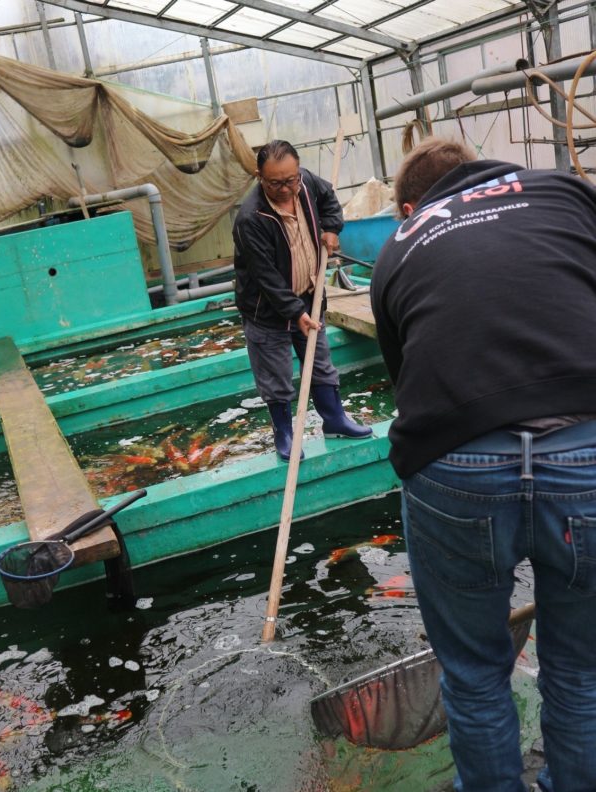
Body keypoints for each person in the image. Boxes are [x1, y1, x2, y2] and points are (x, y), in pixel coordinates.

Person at [370, 135, 596, 792]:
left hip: (456, 465)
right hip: (584, 450)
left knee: (471, 675)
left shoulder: (400, 243)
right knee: (580, 670)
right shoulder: (562, 190)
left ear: (410, 204)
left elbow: (408, 382)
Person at [233, 139, 372, 460]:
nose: (285, 189)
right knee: (275, 376)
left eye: (290, 180)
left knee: (321, 363)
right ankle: (284, 431)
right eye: (275, 183)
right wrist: (295, 312)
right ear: (259, 177)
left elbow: (329, 202)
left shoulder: (306, 183)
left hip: (309, 296)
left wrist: (332, 228)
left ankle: (334, 420)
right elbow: (266, 278)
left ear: (298, 172)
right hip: (267, 311)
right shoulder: (250, 219)